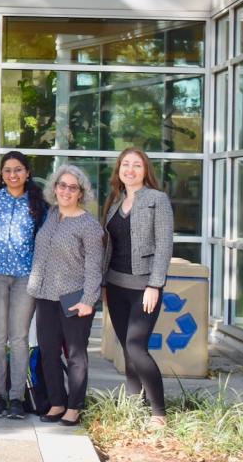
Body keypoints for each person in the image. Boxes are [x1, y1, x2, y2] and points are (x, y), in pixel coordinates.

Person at [101, 147, 175, 429]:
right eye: (125, 165)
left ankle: (159, 413)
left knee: (136, 347)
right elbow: (110, 246)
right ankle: (134, 407)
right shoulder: (115, 201)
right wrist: (104, 284)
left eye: (137, 165)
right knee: (128, 350)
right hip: (116, 287)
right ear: (119, 169)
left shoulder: (158, 200)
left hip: (144, 288)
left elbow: (164, 245)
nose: (130, 170)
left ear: (146, 171)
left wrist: (155, 285)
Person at [28, 164, 104, 427]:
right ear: (55, 188)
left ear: (81, 193)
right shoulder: (51, 214)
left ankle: (74, 406)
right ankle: (57, 403)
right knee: (48, 352)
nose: (66, 191)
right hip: (45, 295)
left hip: (75, 298)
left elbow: (95, 266)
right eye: (62, 185)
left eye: (73, 187)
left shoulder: (89, 225)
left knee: (75, 354)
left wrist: (88, 300)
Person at [0, 150, 48, 420]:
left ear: (27, 172)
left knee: (18, 338)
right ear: (2, 173)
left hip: (24, 277)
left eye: (18, 169)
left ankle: (17, 398)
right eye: (7, 170)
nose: (13, 174)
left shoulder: (38, 202)